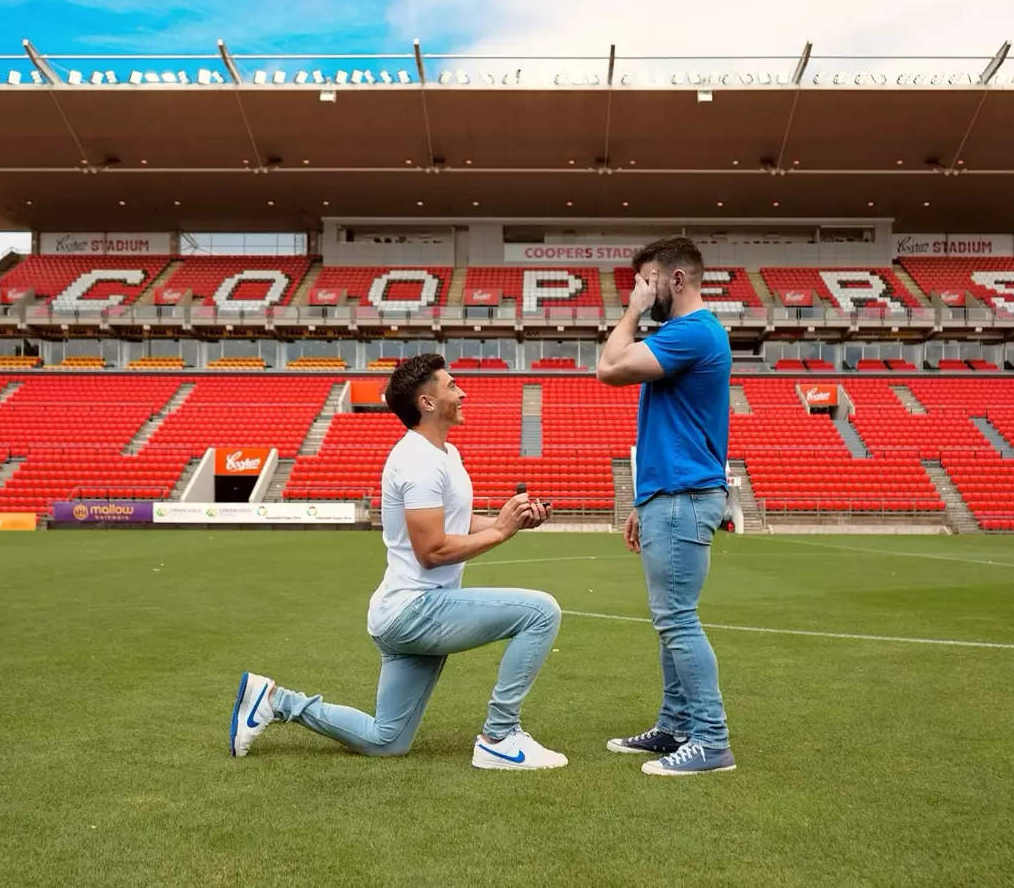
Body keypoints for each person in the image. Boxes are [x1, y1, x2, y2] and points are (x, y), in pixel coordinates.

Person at [229, 354, 567, 770]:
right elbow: (433, 551)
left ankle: (276, 701)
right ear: (426, 402)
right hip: (416, 610)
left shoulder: (445, 454)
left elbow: (456, 524)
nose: (462, 392)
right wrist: (500, 532)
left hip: (405, 613)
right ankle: (500, 737)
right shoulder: (418, 462)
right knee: (540, 611)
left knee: (386, 740)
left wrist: (507, 521)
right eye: (451, 385)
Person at [595, 236, 735, 776]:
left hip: (682, 496)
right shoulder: (688, 334)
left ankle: (711, 739)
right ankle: (677, 726)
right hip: (668, 494)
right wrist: (642, 500)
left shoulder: (692, 332)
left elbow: (608, 368)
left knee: (677, 618)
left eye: (647, 279)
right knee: (669, 618)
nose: (640, 290)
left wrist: (630, 310)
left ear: (677, 280)